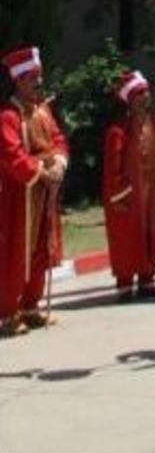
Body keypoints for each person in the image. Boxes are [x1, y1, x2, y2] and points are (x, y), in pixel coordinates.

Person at [0, 46, 68, 337]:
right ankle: (8, 313)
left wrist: (60, 164)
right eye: (32, 79)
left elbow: (58, 139)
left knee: (42, 249)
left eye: (40, 77)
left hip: (44, 192)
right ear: (18, 81)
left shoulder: (43, 111)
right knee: (16, 253)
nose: (39, 83)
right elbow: (13, 156)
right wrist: (42, 171)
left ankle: (30, 306)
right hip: (19, 196)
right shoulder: (8, 116)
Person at [102, 70, 155, 301]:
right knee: (128, 238)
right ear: (130, 100)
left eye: (146, 92)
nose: (145, 97)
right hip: (129, 197)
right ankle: (124, 286)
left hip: (153, 195)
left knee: (152, 235)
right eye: (139, 94)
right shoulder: (118, 131)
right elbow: (112, 169)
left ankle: (147, 281)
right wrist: (119, 195)